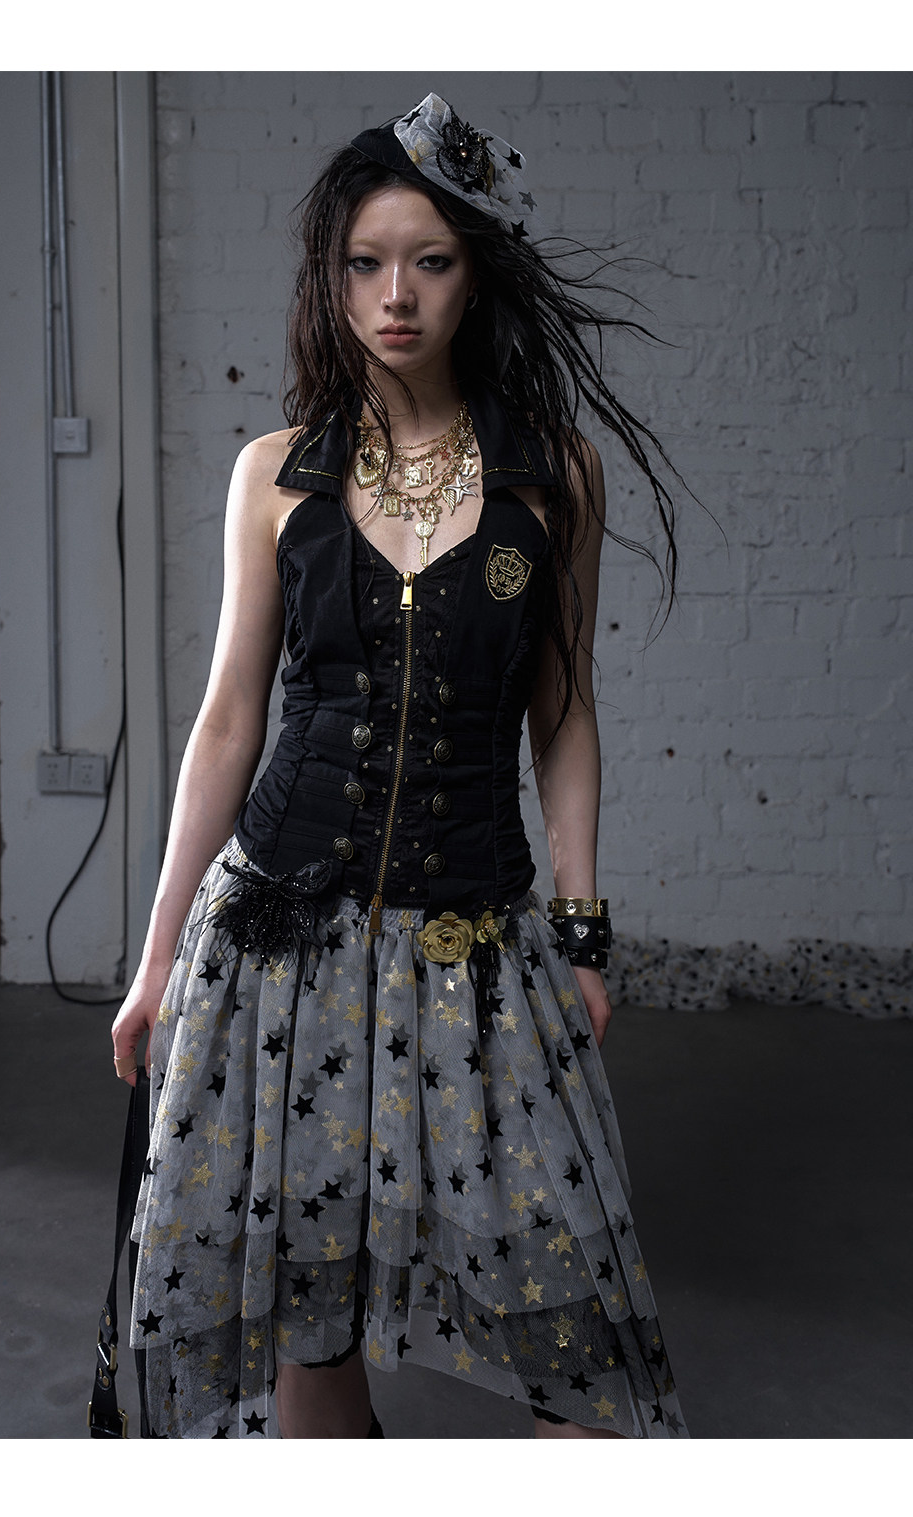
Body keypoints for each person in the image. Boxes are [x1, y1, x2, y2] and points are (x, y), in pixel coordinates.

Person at [111, 92, 687, 1440]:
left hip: (474, 940)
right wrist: (155, 961)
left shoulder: (556, 477)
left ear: (475, 274)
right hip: (280, 947)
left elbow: (565, 711)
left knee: (576, 1340)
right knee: (308, 1331)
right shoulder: (276, 474)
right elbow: (228, 722)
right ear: (331, 279)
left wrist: (583, 928)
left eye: (429, 261)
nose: (395, 296)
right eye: (365, 263)